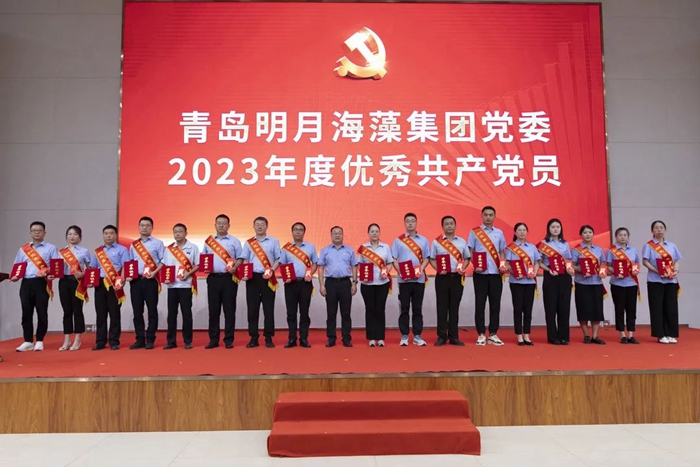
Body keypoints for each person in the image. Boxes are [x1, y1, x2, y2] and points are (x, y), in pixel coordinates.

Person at [11, 221, 59, 352]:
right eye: (34, 230)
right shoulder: (23, 249)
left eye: (39, 230)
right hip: (26, 283)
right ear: (30, 233)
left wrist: (47, 271)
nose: (36, 232)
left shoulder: (51, 248)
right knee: (26, 312)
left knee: (42, 312)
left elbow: (56, 267)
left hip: (41, 283)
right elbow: (17, 266)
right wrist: (15, 276)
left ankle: (39, 340)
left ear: (44, 232)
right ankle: (27, 341)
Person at [467, 206, 507, 346]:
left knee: (495, 304)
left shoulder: (499, 233)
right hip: (480, 274)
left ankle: (493, 334)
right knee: (480, 304)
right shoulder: (474, 232)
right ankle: (481, 334)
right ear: (482, 216)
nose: (488, 217)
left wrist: (502, 265)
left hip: (496, 273)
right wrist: (474, 264)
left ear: (494, 216)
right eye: (486, 215)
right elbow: (470, 251)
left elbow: (502, 252)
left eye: (491, 215)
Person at [202, 214, 243, 349]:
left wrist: (235, 267)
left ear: (228, 226)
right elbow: (204, 258)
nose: (221, 225)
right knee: (213, 310)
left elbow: (240, 258)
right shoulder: (209, 241)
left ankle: (229, 339)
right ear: (215, 225)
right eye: (218, 223)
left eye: (224, 223)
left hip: (229, 279)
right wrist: (205, 267)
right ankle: (213, 339)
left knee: (229, 310)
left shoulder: (234, 241)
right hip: (213, 278)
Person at [240, 217, 281, 348]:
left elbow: (278, 259)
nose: (259, 227)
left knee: (268, 309)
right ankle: (253, 337)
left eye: (262, 224)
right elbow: (245, 259)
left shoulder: (274, 241)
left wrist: (272, 270)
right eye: (257, 224)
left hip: (268, 278)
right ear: (253, 227)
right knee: (252, 309)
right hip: (252, 278)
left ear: (266, 226)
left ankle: (268, 337)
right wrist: (245, 273)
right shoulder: (249, 243)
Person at [391, 213, 430, 346]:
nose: (410, 223)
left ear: (416, 223)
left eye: (413, 221)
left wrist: (421, 268)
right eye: (408, 221)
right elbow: (393, 258)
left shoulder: (423, 240)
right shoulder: (398, 241)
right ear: (404, 223)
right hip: (404, 281)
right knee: (404, 308)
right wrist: (400, 271)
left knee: (417, 308)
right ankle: (404, 335)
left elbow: (427, 257)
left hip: (419, 280)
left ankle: (417, 335)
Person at [430, 215, 470, 346]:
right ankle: (441, 336)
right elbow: (432, 259)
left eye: (451, 223)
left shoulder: (462, 242)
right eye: (446, 224)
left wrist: (463, 268)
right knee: (442, 307)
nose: (449, 226)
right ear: (442, 226)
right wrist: (438, 269)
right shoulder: (436, 242)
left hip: (457, 277)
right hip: (442, 278)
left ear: (455, 225)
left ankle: (454, 336)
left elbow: (467, 258)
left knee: (454, 307)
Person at [89, 225, 129, 350]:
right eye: (106, 233)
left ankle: (114, 341)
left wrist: (122, 281)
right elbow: (93, 268)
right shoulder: (98, 251)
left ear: (116, 235)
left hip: (115, 283)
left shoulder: (122, 250)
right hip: (100, 284)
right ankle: (100, 341)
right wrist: (90, 281)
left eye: (111, 233)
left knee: (114, 313)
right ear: (103, 235)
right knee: (100, 313)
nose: (108, 235)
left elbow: (125, 266)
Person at [128, 216, 164, 350]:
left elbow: (162, 261)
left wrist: (155, 273)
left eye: (148, 225)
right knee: (137, 311)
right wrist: (129, 276)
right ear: (138, 227)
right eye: (142, 225)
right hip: (136, 281)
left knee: (152, 310)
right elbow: (130, 263)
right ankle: (139, 339)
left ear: (152, 228)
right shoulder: (133, 245)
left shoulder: (158, 243)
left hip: (151, 280)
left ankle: (150, 338)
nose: (145, 228)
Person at [642, 220, 682, 344]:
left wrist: (676, 271)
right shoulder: (649, 246)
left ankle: (670, 333)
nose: (659, 230)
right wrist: (657, 271)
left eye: (661, 227)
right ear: (652, 231)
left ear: (665, 230)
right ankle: (660, 334)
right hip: (655, 280)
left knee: (671, 307)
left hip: (670, 281)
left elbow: (676, 260)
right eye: (656, 228)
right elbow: (645, 262)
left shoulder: (672, 245)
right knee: (657, 307)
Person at [318, 226, 358, 347]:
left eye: (339, 233)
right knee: (331, 312)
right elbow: (321, 268)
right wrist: (321, 285)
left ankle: (346, 338)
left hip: (345, 283)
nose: (337, 235)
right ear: (331, 235)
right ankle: (331, 338)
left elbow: (354, 267)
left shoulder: (349, 250)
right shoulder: (325, 250)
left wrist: (354, 283)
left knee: (346, 313)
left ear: (343, 235)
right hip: (330, 283)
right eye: (334, 233)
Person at [280, 222, 318, 348]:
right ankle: (292, 339)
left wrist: (310, 273)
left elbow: (315, 263)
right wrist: (286, 277)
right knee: (291, 313)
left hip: (305, 283)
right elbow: (283, 264)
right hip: (290, 284)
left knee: (304, 312)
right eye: (295, 229)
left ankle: (304, 338)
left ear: (304, 232)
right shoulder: (286, 248)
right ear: (292, 232)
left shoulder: (310, 247)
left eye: (300, 230)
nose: (298, 231)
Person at [537, 218, 574, 345]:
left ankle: (564, 336)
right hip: (550, 275)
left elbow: (568, 260)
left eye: (558, 227)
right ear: (548, 229)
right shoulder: (543, 244)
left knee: (564, 306)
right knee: (551, 306)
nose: (555, 229)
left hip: (564, 276)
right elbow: (539, 262)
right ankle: (553, 337)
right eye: (553, 227)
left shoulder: (565, 244)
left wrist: (570, 269)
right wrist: (549, 270)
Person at [162, 223, 199, 350]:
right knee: (171, 314)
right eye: (175, 232)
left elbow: (197, 265)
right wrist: (166, 278)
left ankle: (188, 341)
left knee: (186, 314)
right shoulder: (169, 249)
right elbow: (165, 266)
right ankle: (171, 341)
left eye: (180, 231)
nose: (177, 234)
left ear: (186, 233)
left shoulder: (193, 247)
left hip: (186, 285)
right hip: (172, 286)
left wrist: (188, 274)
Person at [358, 223, 393, 347]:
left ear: (379, 233)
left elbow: (390, 263)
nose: (374, 233)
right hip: (367, 284)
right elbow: (359, 265)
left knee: (380, 309)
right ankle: (371, 338)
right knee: (370, 309)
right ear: (368, 233)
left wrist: (386, 271)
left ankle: (381, 337)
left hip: (382, 283)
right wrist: (363, 274)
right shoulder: (363, 248)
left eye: (376, 231)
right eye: (372, 231)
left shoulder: (385, 247)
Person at [505, 223, 540, 346]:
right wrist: (514, 272)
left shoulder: (532, 247)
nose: (522, 232)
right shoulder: (511, 248)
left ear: (527, 232)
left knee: (528, 309)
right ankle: (519, 335)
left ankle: (527, 335)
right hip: (516, 282)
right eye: (519, 230)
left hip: (530, 282)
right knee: (518, 309)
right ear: (515, 232)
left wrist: (534, 272)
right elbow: (507, 264)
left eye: (524, 230)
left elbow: (537, 262)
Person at [571, 225, 607, 344]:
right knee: (583, 309)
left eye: (590, 232)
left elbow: (603, 263)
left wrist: (602, 272)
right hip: (582, 283)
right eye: (585, 232)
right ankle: (586, 335)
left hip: (596, 283)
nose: (588, 234)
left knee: (597, 310)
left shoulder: (599, 249)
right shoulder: (576, 250)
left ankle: (595, 336)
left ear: (593, 234)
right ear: (581, 235)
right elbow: (572, 265)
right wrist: (582, 269)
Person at [57, 225, 91, 351]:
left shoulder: (84, 251)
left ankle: (77, 339)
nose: (72, 236)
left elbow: (90, 268)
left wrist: (83, 274)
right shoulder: (61, 252)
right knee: (66, 311)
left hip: (77, 282)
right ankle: (66, 340)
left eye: (75, 234)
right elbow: (56, 268)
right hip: (63, 281)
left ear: (80, 237)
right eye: (69, 234)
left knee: (77, 310)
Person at [606, 227, 641, 344]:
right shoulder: (611, 251)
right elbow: (608, 266)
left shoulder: (633, 250)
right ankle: (622, 334)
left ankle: (631, 334)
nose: (623, 237)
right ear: (616, 237)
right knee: (619, 309)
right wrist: (616, 272)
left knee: (631, 309)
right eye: (620, 235)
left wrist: (635, 270)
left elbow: (636, 264)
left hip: (631, 283)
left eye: (625, 235)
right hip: (617, 283)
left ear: (628, 237)